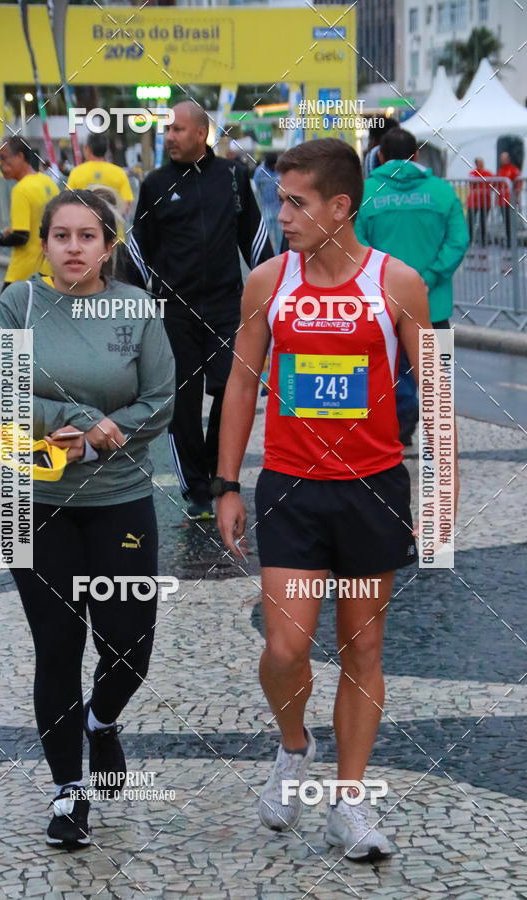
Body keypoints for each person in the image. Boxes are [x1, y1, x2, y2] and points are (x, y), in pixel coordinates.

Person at [215, 137, 459, 860]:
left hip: (372, 490)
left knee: (365, 646)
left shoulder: (399, 284)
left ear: (340, 207)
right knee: (286, 646)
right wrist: (226, 483)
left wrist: (442, 494)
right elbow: (238, 383)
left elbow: (437, 391)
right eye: (280, 200)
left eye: (296, 202)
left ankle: (349, 805)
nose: (281, 215)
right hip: (291, 486)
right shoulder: (266, 282)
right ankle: (294, 746)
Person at [0, 189, 175, 849]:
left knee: (129, 643)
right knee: (57, 646)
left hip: (119, 495)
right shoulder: (19, 303)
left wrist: (111, 429)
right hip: (27, 499)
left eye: (86, 236)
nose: (72, 248)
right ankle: (69, 794)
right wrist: (75, 419)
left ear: (107, 246)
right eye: (60, 236)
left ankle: (103, 720)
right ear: (44, 242)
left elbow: (159, 399)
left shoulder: (135, 309)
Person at [126, 100, 274, 520]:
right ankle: (196, 488)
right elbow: (141, 250)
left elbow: (256, 238)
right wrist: (129, 304)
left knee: (231, 390)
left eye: (176, 130)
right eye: (166, 131)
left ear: (200, 133)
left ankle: (214, 469)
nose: (168, 137)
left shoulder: (233, 176)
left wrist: (279, 291)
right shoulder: (155, 184)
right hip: (175, 310)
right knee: (182, 403)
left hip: (229, 308)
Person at [355, 128, 468, 445]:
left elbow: (358, 245)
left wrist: (388, 280)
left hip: (384, 304)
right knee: (435, 374)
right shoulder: (443, 192)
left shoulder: (366, 193)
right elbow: (458, 241)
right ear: (417, 155)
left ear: (379, 155)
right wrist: (429, 277)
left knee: (392, 371)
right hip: (435, 305)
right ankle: (439, 438)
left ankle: (400, 430)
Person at [0, 136, 59, 291]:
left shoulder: (21, 190)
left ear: (20, 156)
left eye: (4, 158)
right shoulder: (48, 183)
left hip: (22, 275)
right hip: (49, 273)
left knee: (3, 314)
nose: (0, 164)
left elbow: (21, 236)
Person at [67, 133, 134, 222]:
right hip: (113, 231)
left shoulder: (76, 172)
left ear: (87, 148)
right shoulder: (119, 172)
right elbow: (126, 204)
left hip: (85, 230)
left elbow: (67, 201)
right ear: (106, 149)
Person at [253, 152, 282, 256]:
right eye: (272, 166)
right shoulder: (259, 171)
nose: (274, 167)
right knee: (267, 236)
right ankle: (268, 257)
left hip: (280, 208)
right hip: (266, 208)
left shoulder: (280, 170)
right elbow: (255, 189)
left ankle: (280, 256)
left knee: (280, 235)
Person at [467, 158, 493, 249]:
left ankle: (483, 242)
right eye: (480, 163)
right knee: (470, 222)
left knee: (483, 223)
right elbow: (471, 183)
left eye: (482, 162)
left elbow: (494, 184)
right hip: (473, 203)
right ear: (476, 164)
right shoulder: (473, 173)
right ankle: (469, 242)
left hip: (485, 203)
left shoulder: (488, 173)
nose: (482, 164)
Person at [497, 151, 521, 249]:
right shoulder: (501, 170)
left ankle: (513, 242)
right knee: (506, 222)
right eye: (501, 158)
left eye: (504, 158)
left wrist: (516, 196)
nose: (502, 160)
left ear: (508, 159)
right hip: (502, 201)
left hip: (510, 201)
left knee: (512, 222)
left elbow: (518, 184)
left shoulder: (513, 169)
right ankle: (508, 242)